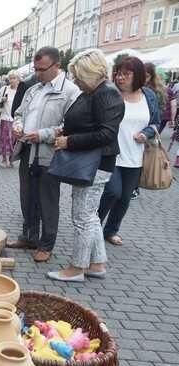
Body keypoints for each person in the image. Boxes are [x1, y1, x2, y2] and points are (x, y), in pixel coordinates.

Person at [46, 49, 125, 282]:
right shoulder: (95, 92)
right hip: (94, 162)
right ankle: (97, 264)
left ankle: (77, 268)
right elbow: (89, 123)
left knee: (83, 218)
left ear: (91, 72)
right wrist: (67, 131)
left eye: (78, 76)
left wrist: (69, 141)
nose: (76, 80)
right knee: (89, 215)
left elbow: (106, 134)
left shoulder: (106, 94)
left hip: (96, 164)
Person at [7, 47, 80, 263]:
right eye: (35, 69)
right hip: (27, 149)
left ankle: (46, 244)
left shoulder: (70, 92)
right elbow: (19, 113)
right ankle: (29, 237)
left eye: (42, 69)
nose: (37, 74)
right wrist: (18, 125)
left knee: (47, 200)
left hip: (50, 154)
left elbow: (70, 126)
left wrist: (43, 135)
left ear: (57, 66)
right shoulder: (34, 89)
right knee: (27, 196)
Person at [98, 56, 160, 246]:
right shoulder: (110, 93)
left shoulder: (148, 96)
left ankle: (111, 231)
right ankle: (93, 226)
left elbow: (155, 123)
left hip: (135, 157)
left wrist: (146, 134)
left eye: (126, 74)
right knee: (113, 192)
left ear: (138, 75)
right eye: (118, 73)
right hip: (112, 154)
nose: (120, 77)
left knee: (125, 197)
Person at [0, 70, 20, 167]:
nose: (12, 80)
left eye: (14, 78)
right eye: (10, 78)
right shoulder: (4, 89)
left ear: (18, 79)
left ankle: (11, 159)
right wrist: (2, 100)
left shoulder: (20, 91)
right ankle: (5, 160)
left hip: (16, 120)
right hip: (5, 118)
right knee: (5, 140)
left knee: (14, 141)